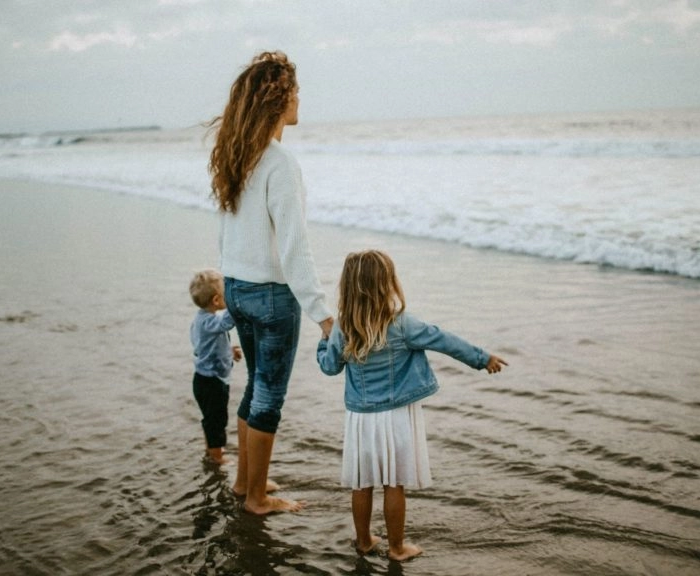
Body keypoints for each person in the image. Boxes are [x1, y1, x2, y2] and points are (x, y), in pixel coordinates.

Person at [316, 250, 507, 561]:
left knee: (362, 483)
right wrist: (481, 358)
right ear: (387, 283)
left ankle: (363, 541)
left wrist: (324, 341)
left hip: (361, 419)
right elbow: (443, 339)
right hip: (397, 416)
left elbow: (329, 367)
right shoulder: (402, 324)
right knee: (394, 484)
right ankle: (396, 548)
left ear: (348, 286)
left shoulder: (343, 327)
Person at [208, 51, 334, 514]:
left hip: (238, 287)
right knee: (268, 395)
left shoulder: (238, 156)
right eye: (295, 92)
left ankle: (245, 482)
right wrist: (323, 314)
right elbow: (294, 248)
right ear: (279, 100)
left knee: (254, 386)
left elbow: (225, 232)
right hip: (272, 296)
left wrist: (230, 282)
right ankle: (257, 499)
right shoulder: (280, 163)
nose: (299, 99)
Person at [188, 269, 242, 464]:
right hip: (212, 382)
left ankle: (210, 450)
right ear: (217, 300)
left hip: (202, 379)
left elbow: (205, 346)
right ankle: (217, 457)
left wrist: (228, 350)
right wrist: (238, 302)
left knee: (210, 419)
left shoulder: (200, 320)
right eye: (227, 293)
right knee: (217, 420)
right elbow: (227, 321)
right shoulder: (209, 322)